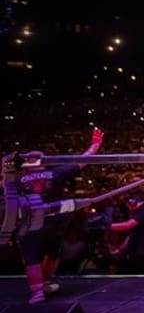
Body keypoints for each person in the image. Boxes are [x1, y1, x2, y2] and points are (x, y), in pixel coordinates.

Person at [16, 127, 103, 303]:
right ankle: (44, 284)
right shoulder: (54, 173)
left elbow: (5, 185)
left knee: (32, 258)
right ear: (44, 162)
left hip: (30, 223)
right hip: (50, 222)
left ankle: (38, 292)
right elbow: (81, 162)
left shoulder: (17, 179)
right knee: (52, 254)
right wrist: (94, 146)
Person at [110, 189, 144, 274]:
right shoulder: (138, 212)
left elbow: (128, 225)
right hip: (135, 251)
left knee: (138, 279)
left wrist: (108, 226)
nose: (128, 208)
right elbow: (132, 234)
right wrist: (120, 249)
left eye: (127, 205)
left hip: (143, 252)